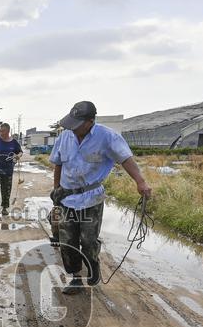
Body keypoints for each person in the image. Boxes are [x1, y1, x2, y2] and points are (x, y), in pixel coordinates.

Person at [49, 100, 152, 294]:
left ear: (90, 121)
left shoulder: (107, 137)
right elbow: (58, 164)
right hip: (67, 198)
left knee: (88, 241)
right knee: (67, 241)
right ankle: (76, 278)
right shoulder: (65, 137)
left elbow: (125, 159)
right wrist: (56, 190)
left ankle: (93, 263)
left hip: (91, 199)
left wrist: (140, 181)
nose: (73, 128)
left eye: (77, 124)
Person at [0, 123, 23, 216]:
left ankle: (4, 208)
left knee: (6, 190)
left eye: (1, 131)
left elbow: (20, 152)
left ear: (7, 131)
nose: (0, 132)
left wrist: (18, 156)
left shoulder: (14, 143)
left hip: (8, 170)